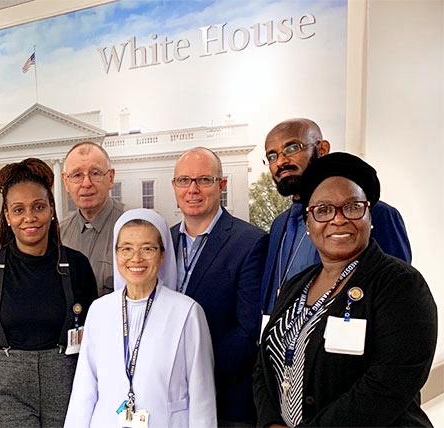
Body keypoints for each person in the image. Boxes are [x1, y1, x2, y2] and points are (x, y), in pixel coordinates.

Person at [253, 152, 436, 427]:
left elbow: (386, 387)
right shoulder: (296, 285)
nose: (338, 220)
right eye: (324, 210)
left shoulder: (401, 285)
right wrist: (270, 422)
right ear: (308, 223)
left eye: (352, 207)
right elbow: (263, 363)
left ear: (369, 216)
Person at [0, 158, 98, 428]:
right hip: (7, 392)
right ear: (7, 216)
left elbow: (94, 341)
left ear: (51, 210)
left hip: (66, 384)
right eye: (18, 209)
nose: (29, 217)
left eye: (38, 207)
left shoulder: (77, 265)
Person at [65, 208, 216, 427]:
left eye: (147, 249)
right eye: (126, 249)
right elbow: (84, 390)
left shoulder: (187, 312)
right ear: (116, 254)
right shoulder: (99, 310)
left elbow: (202, 397)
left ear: (162, 254)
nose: (136, 258)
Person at [260, 119, 411, 315]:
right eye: (272, 156)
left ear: (322, 149)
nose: (280, 162)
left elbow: (395, 295)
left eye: (292, 148)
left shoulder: (375, 214)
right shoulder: (279, 225)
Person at [169, 147, 267, 424]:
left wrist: (196, 373)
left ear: (221, 185)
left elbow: (248, 329)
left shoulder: (250, 242)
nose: (193, 189)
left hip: (226, 398)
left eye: (204, 180)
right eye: (184, 180)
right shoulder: (164, 241)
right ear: (174, 186)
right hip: (170, 398)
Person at [60, 142, 124, 296]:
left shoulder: (132, 228)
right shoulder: (58, 234)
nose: (86, 183)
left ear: (110, 177)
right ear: (65, 182)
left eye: (95, 173)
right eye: (77, 175)